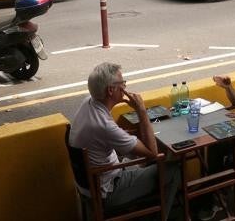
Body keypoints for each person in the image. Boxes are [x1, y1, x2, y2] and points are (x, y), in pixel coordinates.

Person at [68, 62, 181, 215]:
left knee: (146, 159)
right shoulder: (104, 126)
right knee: (172, 168)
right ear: (110, 90)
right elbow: (152, 152)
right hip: (108, 191)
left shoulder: (88, 102)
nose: (125, 88)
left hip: (89, 185)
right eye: (122, 84)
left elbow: (110, 139)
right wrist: (141, 110)